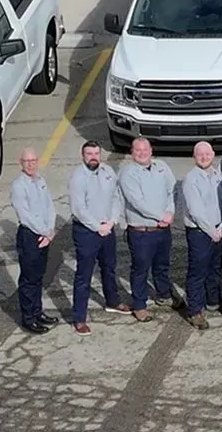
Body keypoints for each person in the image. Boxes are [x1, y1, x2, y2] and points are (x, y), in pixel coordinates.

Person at [68, 141, 128, 334]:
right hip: (87, 231)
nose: (93, 156)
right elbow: (79, 209)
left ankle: (112, 301)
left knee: (109, 267)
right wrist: (97, 227)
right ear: (82, 156)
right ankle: (79, 318)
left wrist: (111, 222)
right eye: (89, 153)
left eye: (96, 153)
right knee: (84, 275)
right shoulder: (78, 178)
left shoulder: (108, 172)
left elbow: (116, 198)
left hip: (107, 228)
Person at [118, 138, 177, 323]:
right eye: (137, 150)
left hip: (162, 229)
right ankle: (139, 305)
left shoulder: (162, 167)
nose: (142, 153)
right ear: (132, 151)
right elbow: (137, 202)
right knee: (140, 269)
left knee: (162, 265)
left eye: (145, 149)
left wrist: (170, 211)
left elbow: (172, 191)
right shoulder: (128, 173)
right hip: (141, 231)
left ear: (151, 150)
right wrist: (161, 216)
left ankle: (164, 295)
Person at [9, 147, 59, 334]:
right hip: (30, 235)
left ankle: (37, 312)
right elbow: (26, 216)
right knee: (29, 279)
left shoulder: (40, 181)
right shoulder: (18, 186)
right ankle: (28, 318)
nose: (30, 164)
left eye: (33, 160)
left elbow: (49, 206)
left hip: (45, 234)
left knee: (38, 277)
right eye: (27, 161)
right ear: (20, 163)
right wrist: (45, 232)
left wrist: (50, 231)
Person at [180, 141, 222, 331]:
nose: (204, 157)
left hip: (217, 229)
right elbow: (196, 211)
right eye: (200, 155)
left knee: (214, 268)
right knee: (197, 272)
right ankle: (195, 310)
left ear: (213, 154)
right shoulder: (191, 179)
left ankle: (213, 300)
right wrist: (211, 230)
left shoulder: (216, 175)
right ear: (194, 157)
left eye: (207, 154)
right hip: (200, 231)